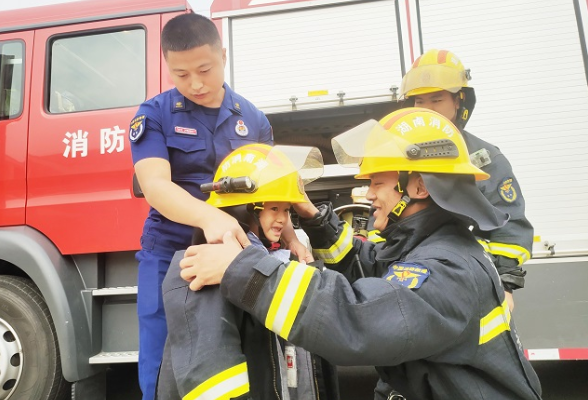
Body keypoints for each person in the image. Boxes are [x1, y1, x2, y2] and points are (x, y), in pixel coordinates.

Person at [176, 108, 543, 400]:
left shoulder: (449, 269)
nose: (367, 194)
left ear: (417, 186)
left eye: (377, 183)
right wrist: (311, 215)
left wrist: (241, 270)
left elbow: (356, 318)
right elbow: (364, 268)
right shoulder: (425, 247)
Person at [128, 13, 311, 400]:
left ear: (223, 56)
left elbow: (270, 190)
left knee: (240, 355)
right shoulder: (154, 115)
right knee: (163, 359)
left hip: (238, 253)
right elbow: (155, 184)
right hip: (170, 254)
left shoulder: (254, 120)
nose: (194, 83)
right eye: (180, 74)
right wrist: (207, 215)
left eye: (203, 70)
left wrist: (292, 235)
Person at [157, 143, 338, 400]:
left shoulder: (262, 261)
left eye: (286, 210)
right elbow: (210, 381)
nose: (283, 219)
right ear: (245, 209)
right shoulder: (206, 269)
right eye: (274, 209)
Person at [399, 49, 533, 312]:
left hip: (469, 283)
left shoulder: (484, 158)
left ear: (459, 101)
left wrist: (503, 284)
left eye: (436, 100)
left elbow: (510, 228)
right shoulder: (396, 157)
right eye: (419, 101)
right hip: (405, 283)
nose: (427, 110)